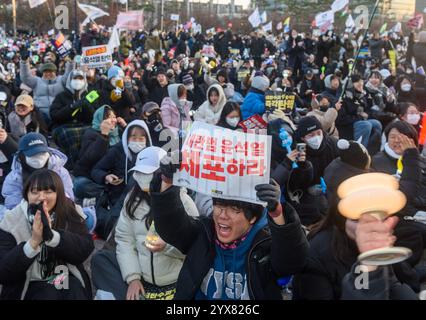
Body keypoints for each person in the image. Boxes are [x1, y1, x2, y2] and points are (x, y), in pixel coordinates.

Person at [147, 156, 308, 300]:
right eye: (219, 206)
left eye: (235, 210)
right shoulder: (204, 234)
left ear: (252, 218)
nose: (223, 215)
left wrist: (277, 212)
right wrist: (167, 181)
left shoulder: (264, 244)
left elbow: (293, 261)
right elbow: (171, 227)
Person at [91, 147, 199, 300]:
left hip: (176, 282)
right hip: (143, 281)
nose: (143, 177)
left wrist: (167, 246)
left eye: (149, 173)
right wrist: (133, 277)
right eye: (140, 172)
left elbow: (195, 247)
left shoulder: (184, 202)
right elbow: (124, 239)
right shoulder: (132, 201)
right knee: (100, 260)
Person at [0, 169, 94, 300]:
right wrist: (33, 243)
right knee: (47, 293)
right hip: (28, 281)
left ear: (59, 193)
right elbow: (4, 272)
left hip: (59, 275)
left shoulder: (69, 210)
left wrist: (53, 237)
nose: (41, 197)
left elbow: (84, 248)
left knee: (73, 289)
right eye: (34, 192)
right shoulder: (11, 221)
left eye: (48, 192)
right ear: (26, 194)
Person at [2, 132, 74, 211]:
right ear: (22, 156)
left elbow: (68, 198)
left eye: (42, 153)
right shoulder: (14, 178)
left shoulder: (60, 171)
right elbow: (13, 207)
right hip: (27, 214)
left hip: (58, 212)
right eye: (32, 155)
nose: (39, 158)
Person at [295, 116, 339, 226]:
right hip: (308, 194)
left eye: (319, 133)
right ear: (302, 138)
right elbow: (294, 183)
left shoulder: (332, 144)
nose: (316, 137)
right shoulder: (298, 152)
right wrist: (308, 189)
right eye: (311, 135)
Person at [50, 70, 97, 168]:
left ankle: (88, 162)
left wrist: (87, 107)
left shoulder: (89, 96)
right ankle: (74, 164)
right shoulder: (61, 96)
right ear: (69, 80)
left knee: (92, 133)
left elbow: (94, 117)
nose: (78, 81)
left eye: (80, 78)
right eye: (75, 78)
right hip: (64, 126)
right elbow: (55, 116)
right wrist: (71, 107)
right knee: (69, 135)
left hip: (84, 124)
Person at [73, 105, 121, 202]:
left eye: (114, 117)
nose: (113, 120)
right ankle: (105, 194)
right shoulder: (90, 133)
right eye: (108, 117)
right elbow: (91, 157)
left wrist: (125, 126)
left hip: (110, 177)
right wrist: (104, 135)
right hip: (90, 177)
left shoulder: (117, 134)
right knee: (79, 185)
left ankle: (105, 195)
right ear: (100, 119)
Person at [19, 58, 73, 123]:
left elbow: (69, 75)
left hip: (58, 113)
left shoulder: (61, 80)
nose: (48, 74)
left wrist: (71, 63)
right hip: (40, 114)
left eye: (50, 71)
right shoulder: (37, 81)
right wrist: (24, 62)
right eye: (45, 72)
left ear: (55, 72)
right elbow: (25, 77)